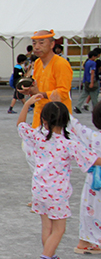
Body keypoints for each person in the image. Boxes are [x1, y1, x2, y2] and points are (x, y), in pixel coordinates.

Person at [17, 96, 101, 259]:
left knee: (47, 227)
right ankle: (46, 256)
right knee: (59, 229)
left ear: (43, 120)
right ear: (65, 121)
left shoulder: (38, 137)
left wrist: (27, 104)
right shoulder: (69, 144)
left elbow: (20, 124)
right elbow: (94, 160)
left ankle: (51, 254)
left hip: (39, 190)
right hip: (57, 194)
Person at [19, 30, 73, 128]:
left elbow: (63, 92)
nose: (36, 47)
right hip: (40, 116)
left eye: (41, 43)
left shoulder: (61, 64)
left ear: (52, 44)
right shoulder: (38, 63)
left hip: (57, 119)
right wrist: (29, 90)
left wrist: (41, 94)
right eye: (34, 43)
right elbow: (36, 86)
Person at [69, 102, 101, 254]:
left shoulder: (94, 137)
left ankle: (86, 241)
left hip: (94, 180)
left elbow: (75, 126)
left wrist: (62, 103)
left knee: (90, 209)